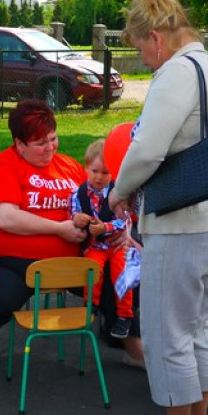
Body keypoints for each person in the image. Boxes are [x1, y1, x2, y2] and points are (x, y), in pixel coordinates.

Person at [109, 0, 208, 415]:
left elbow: (146, 151)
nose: (143, 59)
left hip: (183, 226)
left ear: (156, 37)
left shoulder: (174, 74)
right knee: (198, 328)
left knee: (169, 337)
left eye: (141, 47)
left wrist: (116, 192)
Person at [0, 100, 144, 384]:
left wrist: (120, 230)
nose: (50, 148)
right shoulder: (4, 167)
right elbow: (6, 218)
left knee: (124, 280)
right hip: (13, 261)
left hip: (72, 261)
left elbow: (103, 199)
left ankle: (131, 348)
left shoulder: (68, 167)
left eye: (53, 139)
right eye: (40, 143)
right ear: (19, 144)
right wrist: (59, 229)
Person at [69, 139, 133, 340]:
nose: (99, 177)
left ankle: (125, 316)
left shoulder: (118, 194)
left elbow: (125, 220)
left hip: (116, 244)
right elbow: (73, 214)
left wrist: (106, 226)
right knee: (92, 269)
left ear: (113, 173)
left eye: (105, 173)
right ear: (87, 167)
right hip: (95, 245)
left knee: (122, 274)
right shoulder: (78, 194)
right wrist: (77, 219)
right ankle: (91, 307)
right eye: (95, 171)